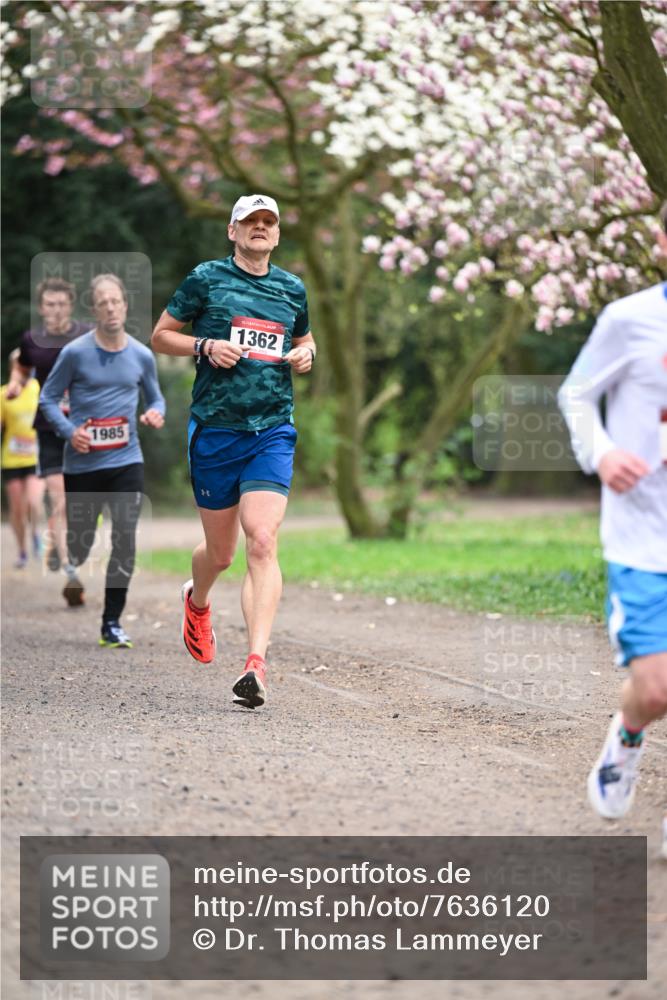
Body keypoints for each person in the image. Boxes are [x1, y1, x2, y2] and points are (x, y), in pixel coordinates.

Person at [151, 194, 316, 708]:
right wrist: (204, 346)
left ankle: (255, 665)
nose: (260, 229)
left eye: (269, 223)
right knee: (221, 554)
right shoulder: (206, 279)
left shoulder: (292, 288)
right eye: (251, 222)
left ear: (278, 233)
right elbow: (160, 336)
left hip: (271, 429)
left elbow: (306, 339)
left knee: (262, 539)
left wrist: (307, 354)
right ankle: (196, 600)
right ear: (233, 231)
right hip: (216, 431)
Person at [558, 201, 667, 858]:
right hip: (642, 538)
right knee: (655, 688)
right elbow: (574, 393)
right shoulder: (629, 319)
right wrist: (600, 453)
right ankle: (627, 735)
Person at [40, 273, 165, 648]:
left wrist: (156, 413)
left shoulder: (141, 355)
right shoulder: (75, 353)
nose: (111, 307)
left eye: (117, 301)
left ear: (125, 306)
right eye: (103, 302)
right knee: (81, 543)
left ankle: (111, 621)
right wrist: (69, 431)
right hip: (82, 465)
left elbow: (155, 398)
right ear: (94, 310)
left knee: (125, 539)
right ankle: (67, 552)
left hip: (127, 461)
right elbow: (47, 398)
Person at [6, 277, 89, 573]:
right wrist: (17, 383)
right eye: (50, 305)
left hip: (85, 426)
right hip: (49, 427)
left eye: (61, 304)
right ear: (41, 308)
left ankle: (61, 542)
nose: (56, 310)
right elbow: (22, 366)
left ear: (70, 307)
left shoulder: (86, 335)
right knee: (60, 495)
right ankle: (70, 567)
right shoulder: (32, 339)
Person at [1, 349, 44, 568]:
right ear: (13, 369)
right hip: (11, 459)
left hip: (36, 456)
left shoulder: (39, 389)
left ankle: (36, 532)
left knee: (34, 504)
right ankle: (22, 551)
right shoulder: (3, 394)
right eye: (20, 365)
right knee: (17, 509)